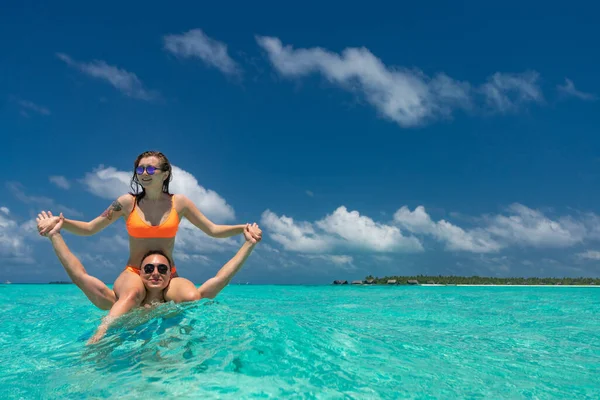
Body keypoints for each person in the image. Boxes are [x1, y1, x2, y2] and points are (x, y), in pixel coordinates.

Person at [37, 150, 262, 328]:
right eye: (140, 168)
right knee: (133, 294)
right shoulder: (127, 202)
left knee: (193, 297)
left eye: (150, 168)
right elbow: (89, 228)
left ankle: (184, 348)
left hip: (167, 272)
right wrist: (60, 223)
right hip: (134, 271)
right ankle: (100, 339)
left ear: (165, 174)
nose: (144, 172)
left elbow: (213, 230)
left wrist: (243, 228)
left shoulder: (179, 203)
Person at [41, 212, 260, 343]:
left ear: (170, 274)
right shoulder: (117, 303)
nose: (155, 272)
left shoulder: (179, 300)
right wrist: (55, 235)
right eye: (149, 269)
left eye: (162, 269)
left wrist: (249, 244)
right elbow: (80, 276)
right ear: (140, 273)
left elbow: (222, 277)